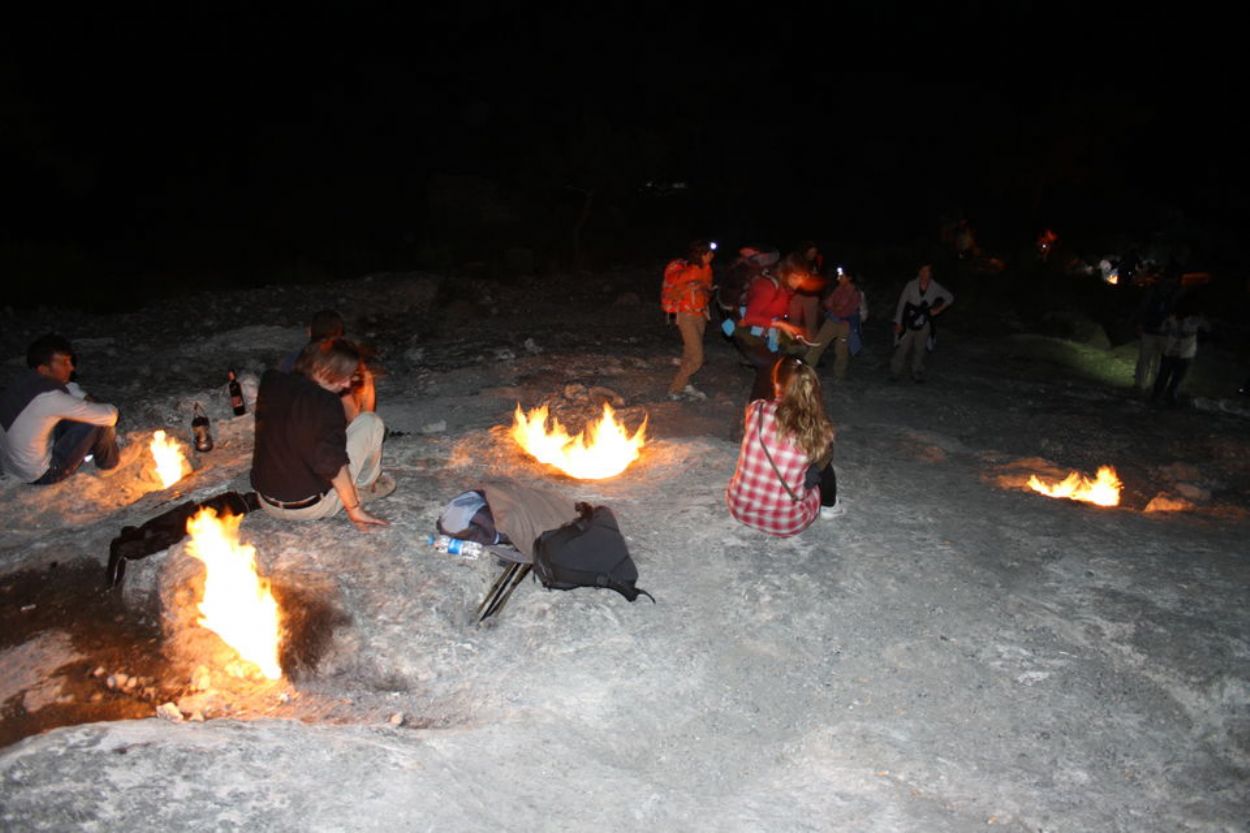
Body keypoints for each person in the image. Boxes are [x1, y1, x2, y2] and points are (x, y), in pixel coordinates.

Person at [251, 338, 391, 532]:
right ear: (319, 369)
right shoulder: (326, 402)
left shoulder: (271, 381)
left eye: (349, 376)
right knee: (370, 422)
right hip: (310, 507)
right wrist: (354, 508)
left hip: (266, 499)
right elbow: (332, 465)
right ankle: (364, 486)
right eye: (342, 376)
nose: (347, 384)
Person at [726, 356, 838, 537]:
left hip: (739, 508)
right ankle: (830, 505)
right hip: (787, 523)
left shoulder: (756, 409)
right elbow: (814, 471)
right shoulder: (818, 428)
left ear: (776, 382)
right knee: (823, 458)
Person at [0, 333, 121, 485]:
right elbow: (109, 415)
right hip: (41, 473)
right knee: (98, 423)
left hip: (12, 466)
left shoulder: (23, 382)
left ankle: (88, 449)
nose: (71, 367)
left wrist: (84, 400)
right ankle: (109, 466)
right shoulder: (49, 398)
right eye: (64, 363)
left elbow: (67, 389)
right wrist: (96, 405)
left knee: (73, 413)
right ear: (44, 369)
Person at [734, 256, 812, 402]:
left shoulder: (785, 289)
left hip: (764, 333)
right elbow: (750, 317)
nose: (799, 283)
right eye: (796, 278)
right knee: (769, 366)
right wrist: (780, 325)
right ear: (786, 273)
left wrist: (789, 328)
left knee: (779, 366)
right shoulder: (767, 286)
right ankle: (755, 410)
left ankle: (769, 404)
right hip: (747, 333)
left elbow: (774, 313)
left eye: (802, 279)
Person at [662, 240, 715, 401]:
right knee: (697, 358)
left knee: (689, 353)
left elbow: (708, 290)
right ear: (702, 255)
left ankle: (685, 384)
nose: (712, 255)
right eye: (709, 253)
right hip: (687, 316)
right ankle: (675, 388)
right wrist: (689, 287)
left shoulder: (707, 269)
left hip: (701, 315)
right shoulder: (689, 271)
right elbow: (672, 293)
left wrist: (704, 288)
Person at [890, 264, 954, 382]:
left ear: (931, 273)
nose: (923, 274)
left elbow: (949, 297)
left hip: (925, 321)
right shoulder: (911, 284)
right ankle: (895, 371)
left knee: (920, 348)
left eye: (926, 271)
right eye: (921, 271)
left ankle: (916, 371)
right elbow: (902, 303)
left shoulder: (935, 287)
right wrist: (898, 322)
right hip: (909, 319)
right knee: (903, 346)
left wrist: (938, 310)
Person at [805, 266, 866, 381]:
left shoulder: (855, 292)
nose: (838, 278)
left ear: (849, 278)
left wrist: (833, 307)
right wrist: (833, 307)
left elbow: (840, 307)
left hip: (845, 324)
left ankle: (839, 374)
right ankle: (805, 369)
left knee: (841, 350)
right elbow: (829, 303)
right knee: (817, 343)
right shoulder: (839, 288)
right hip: (833, 320)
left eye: (841, 276)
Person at [1151, 295, 1207, 405]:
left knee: (1164, 375)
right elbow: (1208, 328)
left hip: (1170, 351)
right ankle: (1170, 396)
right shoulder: (1195, 320)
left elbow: (1162, 330)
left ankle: (1157, 396)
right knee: (1176, 377)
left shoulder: (1172, 318)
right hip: (1185, 353)